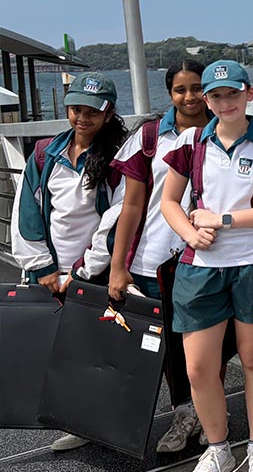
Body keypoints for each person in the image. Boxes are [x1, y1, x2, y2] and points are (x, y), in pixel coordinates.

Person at [160, 60, 253, 472]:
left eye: (233, 93)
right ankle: (218, 446)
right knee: (199, 366)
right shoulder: (190, 143)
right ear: (206, 99)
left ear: (249, 94)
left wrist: (221, 220)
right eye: (216, 95)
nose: (225, 102)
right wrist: (188, 232)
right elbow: (169, 202)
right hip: (201, 265)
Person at [108, 60, 224, 454]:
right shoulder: (151, 137)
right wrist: (119, 265)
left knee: (212, 344)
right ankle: (184, 414)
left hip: (212, 257)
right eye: (181, 89)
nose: (190, 97)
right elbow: (133, 203)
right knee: (168, 348)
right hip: (155, 257)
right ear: (169, 92)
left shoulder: (227, 128)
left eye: (197, 88)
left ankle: (213, 418)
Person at [11, 72, 126, 452]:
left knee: (97, 351)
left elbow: (117, 220)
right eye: (76, 108)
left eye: (92, 111)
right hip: (51, 273)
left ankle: (107, 424)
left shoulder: (115, 159)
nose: (82, 117)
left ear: (108, 114)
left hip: (93, 272)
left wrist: (81, 270)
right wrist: (43, 268)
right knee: (59, 349)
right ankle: (80, 423)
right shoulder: (46, 153)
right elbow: (28, 210)